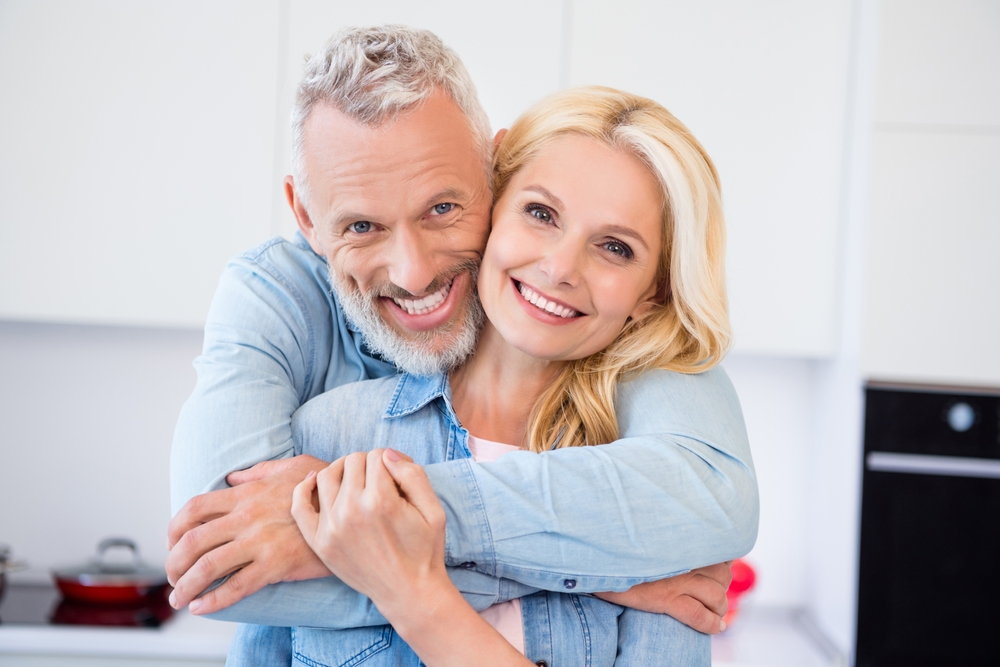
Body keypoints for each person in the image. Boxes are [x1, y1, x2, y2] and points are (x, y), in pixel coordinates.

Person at [166, 24, 756, 648]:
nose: (413, 272)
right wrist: (594, 574)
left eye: (442, 209)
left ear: (492, 172)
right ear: (307, 217)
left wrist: (385, 532)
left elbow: (714, 499)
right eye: (362, 226)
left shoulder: (631, 377)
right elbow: (224, 566)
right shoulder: (293, 347)